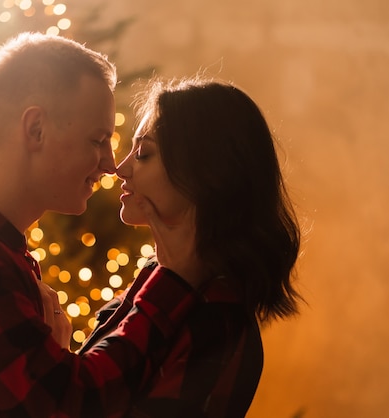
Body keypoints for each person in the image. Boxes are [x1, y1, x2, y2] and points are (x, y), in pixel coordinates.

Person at [0, 33, 205, 417]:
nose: (110, 164)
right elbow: (79, 404)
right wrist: (172, 279)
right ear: (36, 130)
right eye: (98, 140)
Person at [77, 76, 303, 417]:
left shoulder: (214, 318)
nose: (120, 169)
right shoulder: (160, 280)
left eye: (143, 153)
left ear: (204, 174)